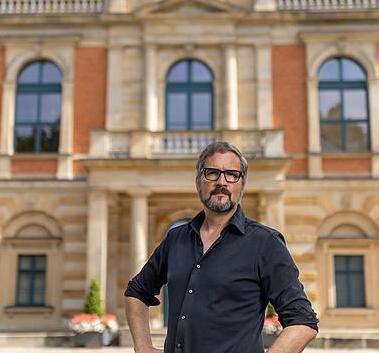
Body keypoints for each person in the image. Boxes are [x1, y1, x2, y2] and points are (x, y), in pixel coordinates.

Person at [124, 141, 318, 353]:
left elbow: (303, 321)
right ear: (199, 182)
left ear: (241, 184)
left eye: (231, 174)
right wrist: (143, 347)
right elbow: (137, 291)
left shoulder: (265, 243)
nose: (221, 181)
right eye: (212, 173)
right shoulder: (176, 239)